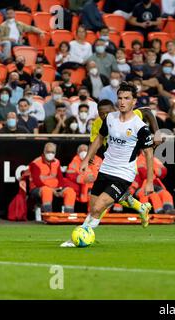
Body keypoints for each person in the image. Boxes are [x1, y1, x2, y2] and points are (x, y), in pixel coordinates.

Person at [60, 84, 154, 247]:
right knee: (93, 208)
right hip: (106, 168)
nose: (122, 102)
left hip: (124, 173)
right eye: (120, 98)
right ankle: (141, 207)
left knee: (98, 207)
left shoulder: (140, 127)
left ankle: (79, 239)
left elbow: (149, 154)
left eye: (127, 98)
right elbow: (99, 139)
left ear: (134, 101)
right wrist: (86, 159)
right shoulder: (110, 118)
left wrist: (150, 181)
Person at [29, 143, 77, 213]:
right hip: (37, 188)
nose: (50, 154)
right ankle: (48, 215)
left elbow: (60, 178)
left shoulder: (57, 162)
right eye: (48, 152)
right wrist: (52, 190)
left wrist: (59, 189)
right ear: (44, 151)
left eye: (53, 152)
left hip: (55, 188)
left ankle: (68, 215)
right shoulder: (36, 163)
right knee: (47, 191)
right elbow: (37, 182)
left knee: (70, 191)